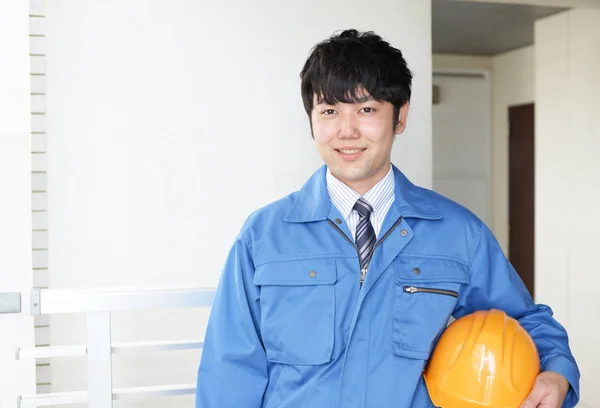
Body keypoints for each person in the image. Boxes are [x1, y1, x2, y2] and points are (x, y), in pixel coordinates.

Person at [195, 29, 580, 408]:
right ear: (311, 119)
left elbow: (524, 321)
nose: (346, 131)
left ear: (400, 118)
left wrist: (556, 370)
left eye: (366, 110)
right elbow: (230, 369)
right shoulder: (264, 236)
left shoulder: (458, 233)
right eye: (329, 111)